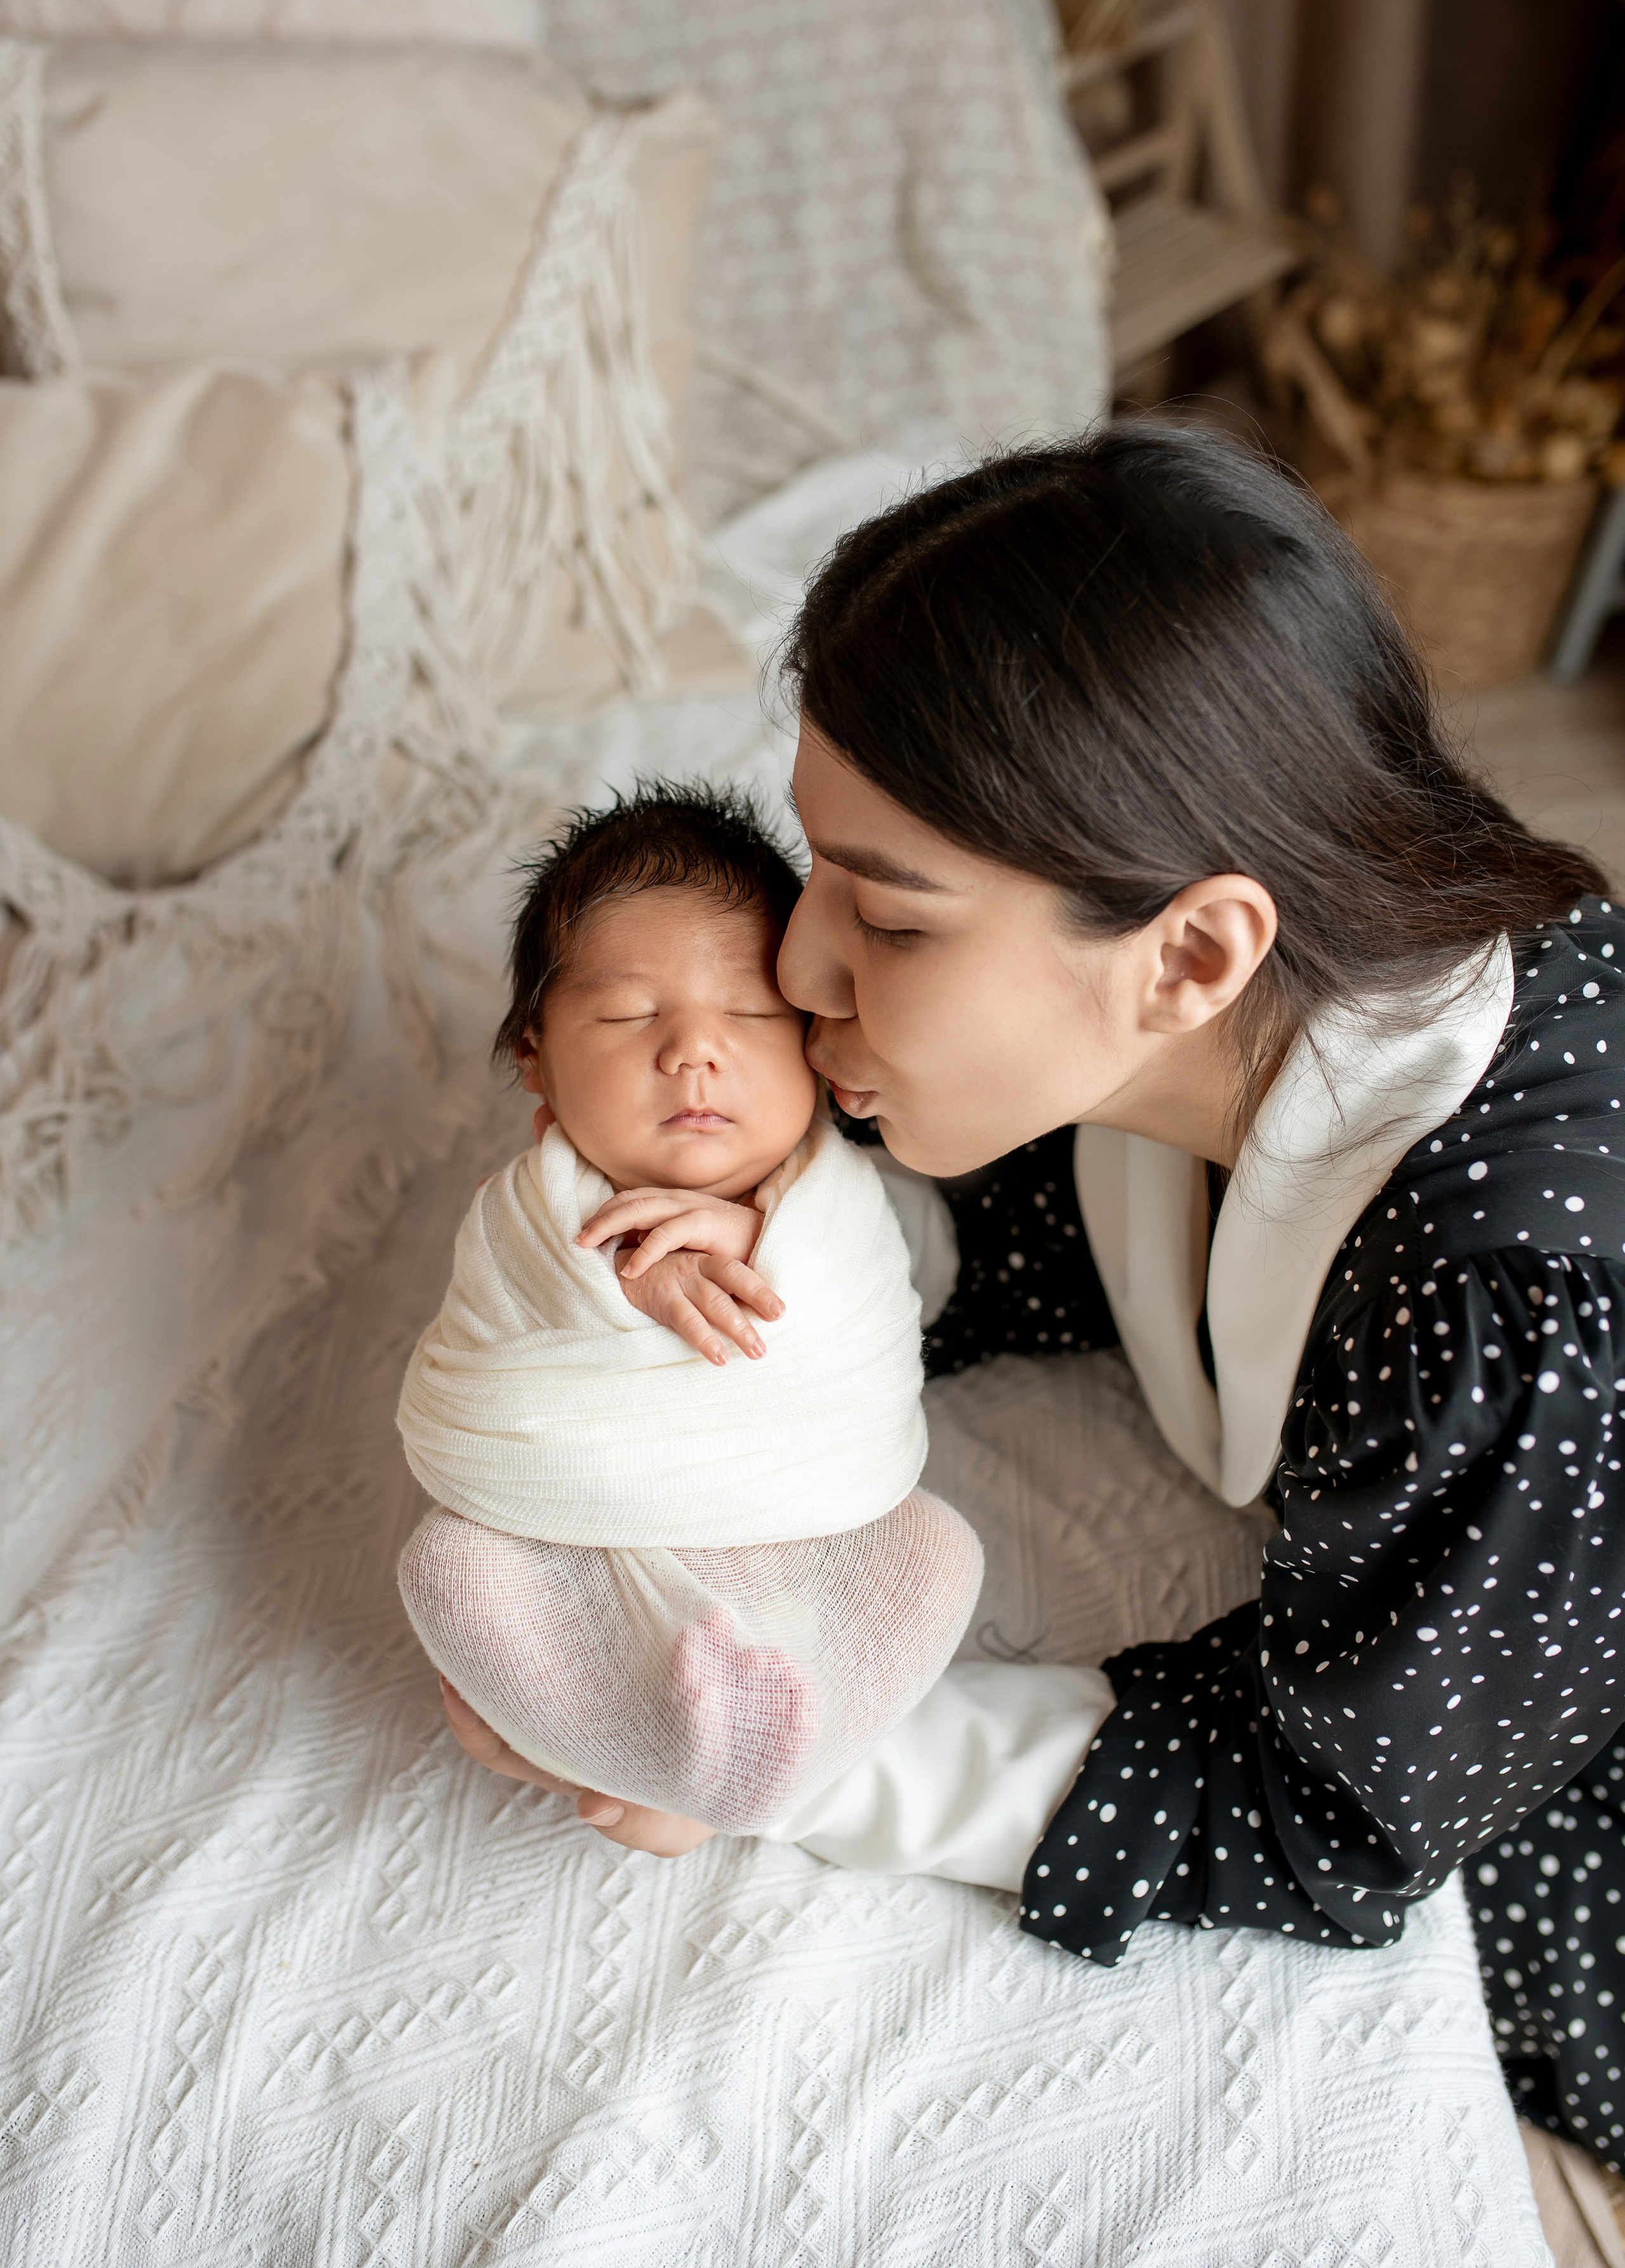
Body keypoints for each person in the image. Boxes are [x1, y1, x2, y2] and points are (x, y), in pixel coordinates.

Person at [442, 423, 1625, 2170]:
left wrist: (799, 1760)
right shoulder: (1262, 977)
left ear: (1194, 952)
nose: (795, 964)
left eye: (892, 922)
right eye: (819, 864)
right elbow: (1030, 1233)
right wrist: (782, 1258)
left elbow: (1330, 1814)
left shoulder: (1522, 1326)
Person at [399, 785, 981, 1836]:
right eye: (627, 1015)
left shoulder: (836, 1202)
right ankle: (634, 1746)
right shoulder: (526, 1217)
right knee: (451, 1569)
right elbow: (480, 1374)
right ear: (534, 1054)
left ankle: (673, 1769)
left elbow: (887, 1313)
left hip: (806, 1552)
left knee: (940, 1555)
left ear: (814, 1036)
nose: (694, 1050)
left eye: (752, 1012)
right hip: (586, 1550)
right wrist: (621, 1275)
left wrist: (773, 1251)